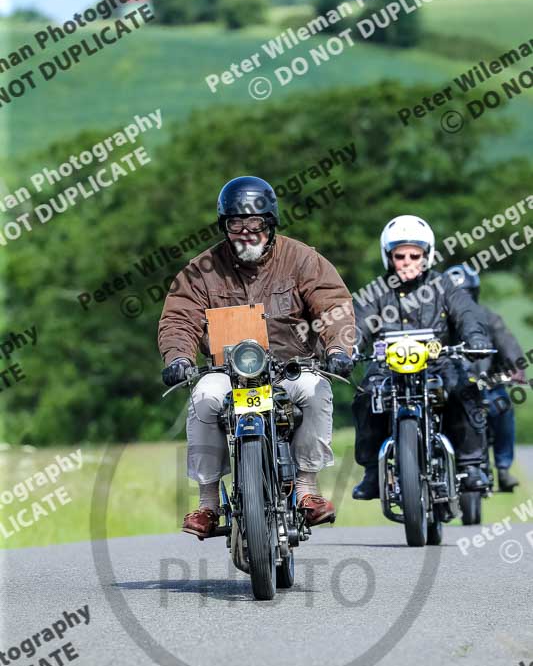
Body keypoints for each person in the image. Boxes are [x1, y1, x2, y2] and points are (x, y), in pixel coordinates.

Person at [158, 176, 354, 539]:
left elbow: (333, 306)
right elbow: (179, 317)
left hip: (290, 368)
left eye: (256, 223)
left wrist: (339, 348)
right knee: (203, 396)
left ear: (270, 224)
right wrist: (178, 357)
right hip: (226, 372)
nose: (246, 232)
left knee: (317, 391)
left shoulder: (303, 259)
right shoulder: (201, 270)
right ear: (224, 226)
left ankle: (307, 489)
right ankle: (207, 502)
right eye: (236, 224)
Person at [352, 214, 491, 500]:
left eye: (414, 255)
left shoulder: (443, 286)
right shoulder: (376, 292)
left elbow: (466, 314)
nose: (407, 262)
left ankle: (471, 464)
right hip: (387, 365)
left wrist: (475, 337)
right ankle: (371, 472)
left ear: (426, 255)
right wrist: (348, 346)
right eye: (399, 255)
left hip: (437, 361)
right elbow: (359, 322)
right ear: (388, 257)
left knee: (466, 388)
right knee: (365, 395)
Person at [445, 264, 524, 492]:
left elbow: (508, 345)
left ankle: (503, 468)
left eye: (466, 295)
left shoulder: (489, 318)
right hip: (447, 384)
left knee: (503, 407)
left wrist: (515, 369)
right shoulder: (436, 322)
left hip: (486, 384)